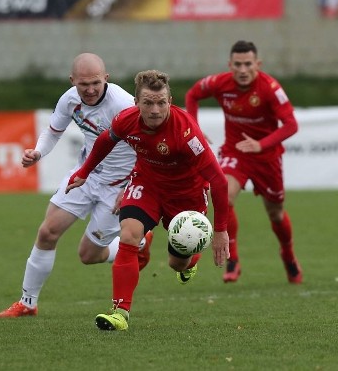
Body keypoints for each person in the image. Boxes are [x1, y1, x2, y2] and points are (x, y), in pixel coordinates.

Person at [66, 69, 229, 331]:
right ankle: (120, 313)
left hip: (186, 193)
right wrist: (83, 172)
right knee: (129, 235)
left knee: (178, 263)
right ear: (136, 103)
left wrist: (220, 231)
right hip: (147, 184)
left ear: (170, 101)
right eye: (148, 103)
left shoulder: (186, 132)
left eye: (161, 102)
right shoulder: (126, 120)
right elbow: (105, 142)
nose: (155, 110)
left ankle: (190, 259)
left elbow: (219, 181)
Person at [0, 53, 152, 318]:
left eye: (95, 84)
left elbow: (146, 150)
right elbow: (53, 132)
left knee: (88, 255)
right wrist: (38, 153)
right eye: (83, 85)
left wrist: (132, 187)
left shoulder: (124, 105)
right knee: (47, 232)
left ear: (106, 79)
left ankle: (139, 244)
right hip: (85, 176)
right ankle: (27, 303)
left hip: (118, 186)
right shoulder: (70, 99)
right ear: (72, 81)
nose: (89, 90)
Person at [185, 40, 302, 284]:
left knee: (276, 214)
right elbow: (193, 94)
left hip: (267, 158)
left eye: (248, 64)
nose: (242, 70)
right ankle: (233, 258)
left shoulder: (270, 88)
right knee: (223, 195)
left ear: (257, 64)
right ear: (230, 65)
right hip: (235, 152)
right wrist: (194, 127)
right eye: (237, 64)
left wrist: (261, 144)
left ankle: (288, 255)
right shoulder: (220, 83)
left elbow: (291, 124)